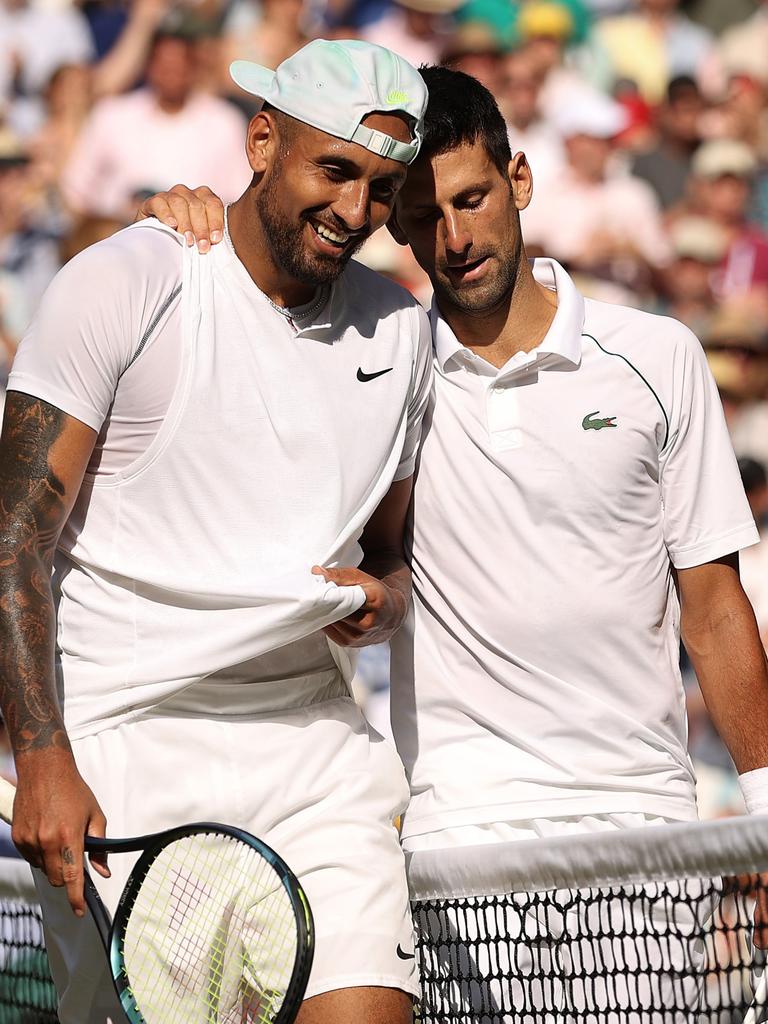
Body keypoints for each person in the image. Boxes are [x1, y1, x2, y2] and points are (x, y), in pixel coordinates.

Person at [145, 60, 768, 1015]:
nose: (456, 236)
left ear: (520, 182)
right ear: (394, 228)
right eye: (424, 218)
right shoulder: (380, 362)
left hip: (647, 831)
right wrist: (193, 217)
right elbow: (248, 298)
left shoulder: (659, 359)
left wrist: (764, 814)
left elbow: (716, 611)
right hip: (456, 846)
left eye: (473, 199)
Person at [0, 38, 434, 1024]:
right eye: (335, 170)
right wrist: (43, 758)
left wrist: (389, 598)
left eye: (379, 186)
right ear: (262, 139)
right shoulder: (123, 282)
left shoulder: (401, 330)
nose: (356, 210)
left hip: (321, 759)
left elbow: (397, 549)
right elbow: (12, 536)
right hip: (126, 759)